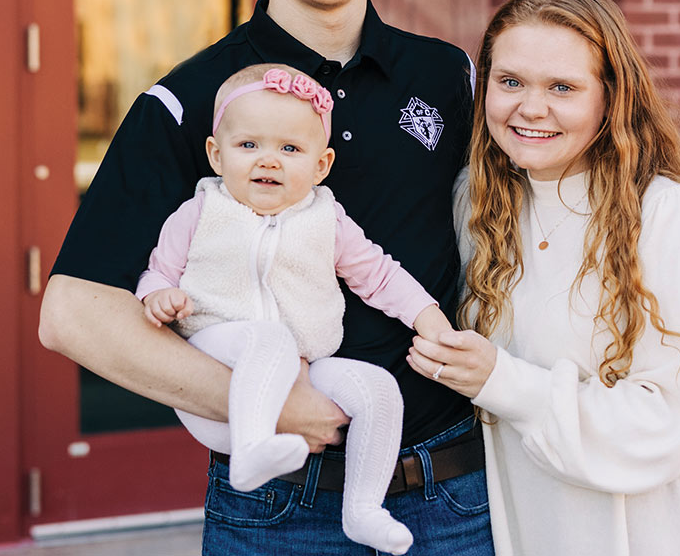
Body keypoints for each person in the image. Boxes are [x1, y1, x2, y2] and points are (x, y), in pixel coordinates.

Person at [39, 0, 494, 556]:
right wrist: (273, 403)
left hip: (451, 497)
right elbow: (72, 313)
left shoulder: (448, 76)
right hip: (281, 511)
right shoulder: (191, 102)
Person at [407, 0, 680, 555]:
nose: (530, 108)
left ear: (610, 96)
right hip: (496, 526)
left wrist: (502, 380)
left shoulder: (662, 211)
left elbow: (669, 423)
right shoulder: (476, 199)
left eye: (562, 87)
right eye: (510, 82)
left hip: (630, 534)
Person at [137, 63, 455, 555]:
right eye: (249, 146)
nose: (269, 161)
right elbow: (158, 271)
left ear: (321, 165)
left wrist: (427, 315)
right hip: (219, 363)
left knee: (379, 389)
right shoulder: (200, 211)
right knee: (270, 339)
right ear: (216, 155)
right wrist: (157, 297)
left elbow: (378, 273)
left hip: (305, 366)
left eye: (290, 149)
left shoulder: (326, 218)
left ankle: (363, 508)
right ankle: (250, 450)